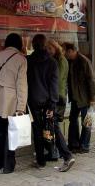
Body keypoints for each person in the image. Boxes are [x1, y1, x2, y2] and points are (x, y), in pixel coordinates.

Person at [0, 33, 27, 174]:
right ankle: (8, 165)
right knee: (12, 133)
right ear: (19, 44)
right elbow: (22, 85)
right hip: (12, 101)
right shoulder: (21, 59)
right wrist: (21, 107)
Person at [27, 34, 60, 169]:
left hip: (33, 100)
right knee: (50, 128)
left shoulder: (28, 60)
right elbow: (54, 85)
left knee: (37, 130)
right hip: (47, 100)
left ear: (33, 45)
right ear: (45, 45)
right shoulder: (52, 62)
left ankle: (40, 159)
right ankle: (52, 153)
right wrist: (52, 103)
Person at [63, 42, 95, 154]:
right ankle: (74, 144)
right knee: (73, 120)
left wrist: (93, 99)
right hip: (75, 97)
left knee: (86, 122)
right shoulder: (69, 62)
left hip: (86, 97)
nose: (65, 54)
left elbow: (92, 80)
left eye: (66, 51)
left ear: (72, 51)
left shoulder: (84, 61)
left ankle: (84, 145)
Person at [45, 39, 75, 171]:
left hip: (57, 97)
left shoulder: (61, 61)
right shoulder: (57, 60)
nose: (48, 51)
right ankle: (54, 153)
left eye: (50, 49)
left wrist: (51, 100)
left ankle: (66, 155)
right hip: (56, 96)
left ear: (55, 48)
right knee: (52, 125)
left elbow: (56, 81)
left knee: (54, 126)